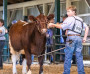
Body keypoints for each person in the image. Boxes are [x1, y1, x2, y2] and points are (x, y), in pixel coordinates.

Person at [48, 5, 89, 74]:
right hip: (79, 38)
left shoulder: (69, 19)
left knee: (68, 56)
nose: (67, 13)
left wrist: (53, 25)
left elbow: (62, 26)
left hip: (71, 38)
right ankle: (81, 72)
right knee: (79, 57)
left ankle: (66, 72)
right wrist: (84, 37)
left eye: (69, 11)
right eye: (67, 11)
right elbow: (87, 27)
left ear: (74, 12)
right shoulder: (80, 19)